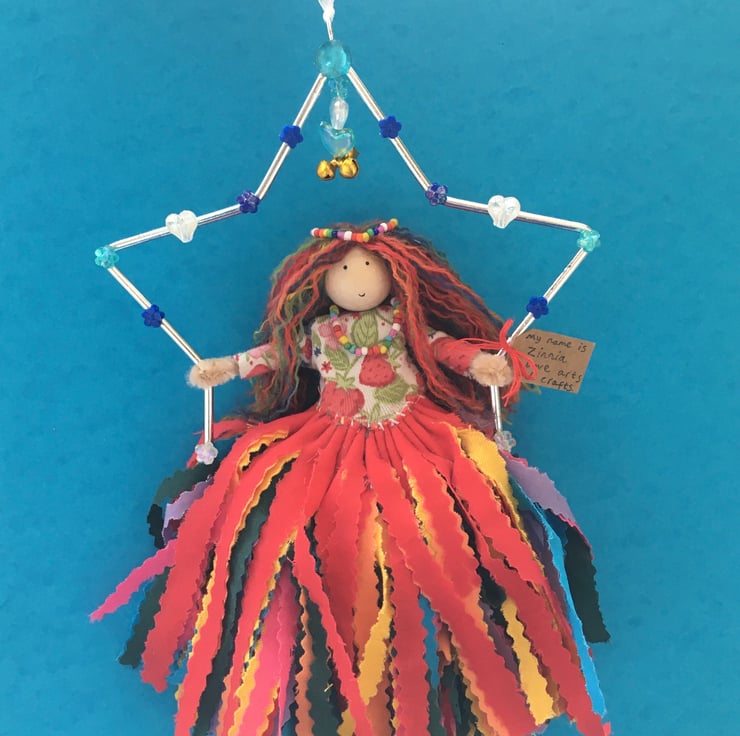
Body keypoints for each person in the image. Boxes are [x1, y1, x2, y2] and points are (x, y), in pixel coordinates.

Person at [94, 221, 609, 736]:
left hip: (413, 434)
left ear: (393, 274)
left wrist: (478, 362)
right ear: (322, 278)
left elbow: (441, 348)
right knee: (329, 533)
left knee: (437, 527)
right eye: (345, 268)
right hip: (332, 442)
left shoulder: (402, 325)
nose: (357, 278)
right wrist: (228, 368)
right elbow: (275, 355)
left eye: (368, 267)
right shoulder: (319, 334)